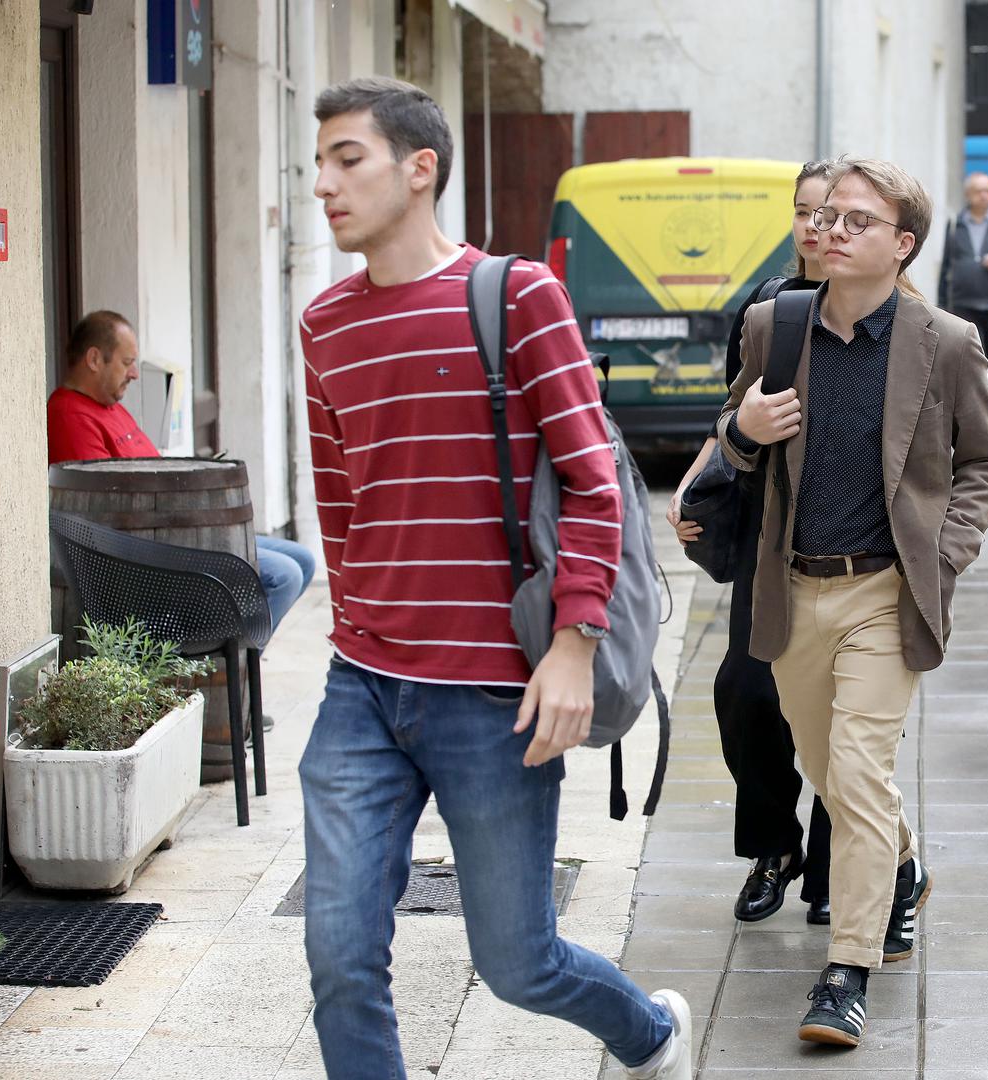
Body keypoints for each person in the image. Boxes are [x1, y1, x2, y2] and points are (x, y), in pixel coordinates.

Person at [297, 76, 691, 1080]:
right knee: (339, 953)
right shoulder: (324, 325)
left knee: (517, 963)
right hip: (365, 688)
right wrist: (358, 622)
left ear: (419, 167)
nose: (324, 186)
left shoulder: (517, 296)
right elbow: (339, 502)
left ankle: (648, 1034)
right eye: (319, 165)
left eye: (348, 160)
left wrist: (571, 644)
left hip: (492, 694)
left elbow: (597, 484)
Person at [717, 157, 988, 1047]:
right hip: (793, 589)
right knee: (834, 772)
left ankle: (845, 972)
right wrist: (740, 433)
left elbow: (986, 465)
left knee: (855, 769)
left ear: (902, 244)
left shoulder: (945, 342)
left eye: (856, 221)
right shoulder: (775, 327)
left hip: (885, 592)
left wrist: (941, 558)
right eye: (826, 218)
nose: (831, 231)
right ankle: (904, 862)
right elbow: (734, 440)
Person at [668, 161, 835, 927]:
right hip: (768, 536)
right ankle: (775, 844)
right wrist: (696, 479)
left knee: (842, 713)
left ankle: (839, 865)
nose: (814, 226)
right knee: (744, 694)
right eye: (803, 211)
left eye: (830, 212)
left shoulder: (897, 313)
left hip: (852, 545)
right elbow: (731, 409)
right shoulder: (768, 307)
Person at [47, 310, 316, 635]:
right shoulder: (69, 415)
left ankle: (231, 661)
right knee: (284, 575)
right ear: (94, 359)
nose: (134, 373)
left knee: (303, 559)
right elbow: (104, 514)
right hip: (153, 551)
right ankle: (226, 670)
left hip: (182, 532)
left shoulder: (110, 406)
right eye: (127, 362)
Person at [937, 171, 988, 403]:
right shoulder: (955, 225)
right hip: (963, 305)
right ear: (968, 195)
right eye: (979, 191)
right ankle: (971, 414)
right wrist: (942, 305)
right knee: (969, 362)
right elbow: (946, 266)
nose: (985, 196)